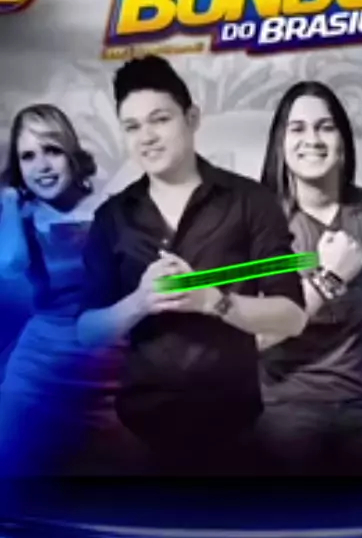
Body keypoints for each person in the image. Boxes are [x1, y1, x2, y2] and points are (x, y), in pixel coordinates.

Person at [76, 55, 306, 476]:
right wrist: (139, 302)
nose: (147, 137)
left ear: (192, 118)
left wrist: (212, 301)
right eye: (132, 127)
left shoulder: (251, 202)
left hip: (234, 430)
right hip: (139, 434)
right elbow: (86, 331)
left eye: (159, 119)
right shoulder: (112, 217)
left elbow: (292, 316)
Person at [257, 81, 362, 476]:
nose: (312, 139)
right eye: (297, 128)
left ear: (343, 140)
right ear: (280, 143)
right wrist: (329, 279)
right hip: (282, 411)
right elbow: (250, 337)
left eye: (325, 127)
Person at [0, 104, 140, 476]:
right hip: (38, 366)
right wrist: (11, 203)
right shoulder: (20, 215)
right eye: (28, 156)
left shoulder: (111, 209)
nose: (42, 166)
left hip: (107, 360)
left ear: (72, 154)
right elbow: (10, 263)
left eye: (52, 150)